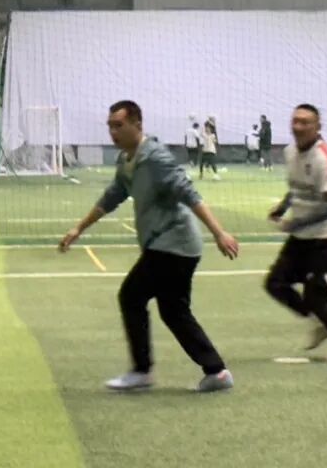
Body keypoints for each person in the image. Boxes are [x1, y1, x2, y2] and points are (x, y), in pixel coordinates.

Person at [60, 100, 238, 393]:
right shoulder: (126, 160)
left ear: (137, 125)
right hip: (167, 245)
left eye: (119, 126)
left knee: (131, 296)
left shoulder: (155, 158)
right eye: (110, 126)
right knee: (173, 311)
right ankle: (216, 371)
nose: (113, 132)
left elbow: (188, 193)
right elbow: (112, 196)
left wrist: (219, 233)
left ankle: (142, 370)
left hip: (174, 243)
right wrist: (79, 228)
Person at [263, 104, 327, 363]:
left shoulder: (323, 158)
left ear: (317, 127)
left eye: (305, 122)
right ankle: (320, 321)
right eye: (295, 121)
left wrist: (295, 223)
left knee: (315, 296)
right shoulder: (290, 152)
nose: (298, 126)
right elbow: (297, 187)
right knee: (275, 283)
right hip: (302, 236)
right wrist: (282, 208)